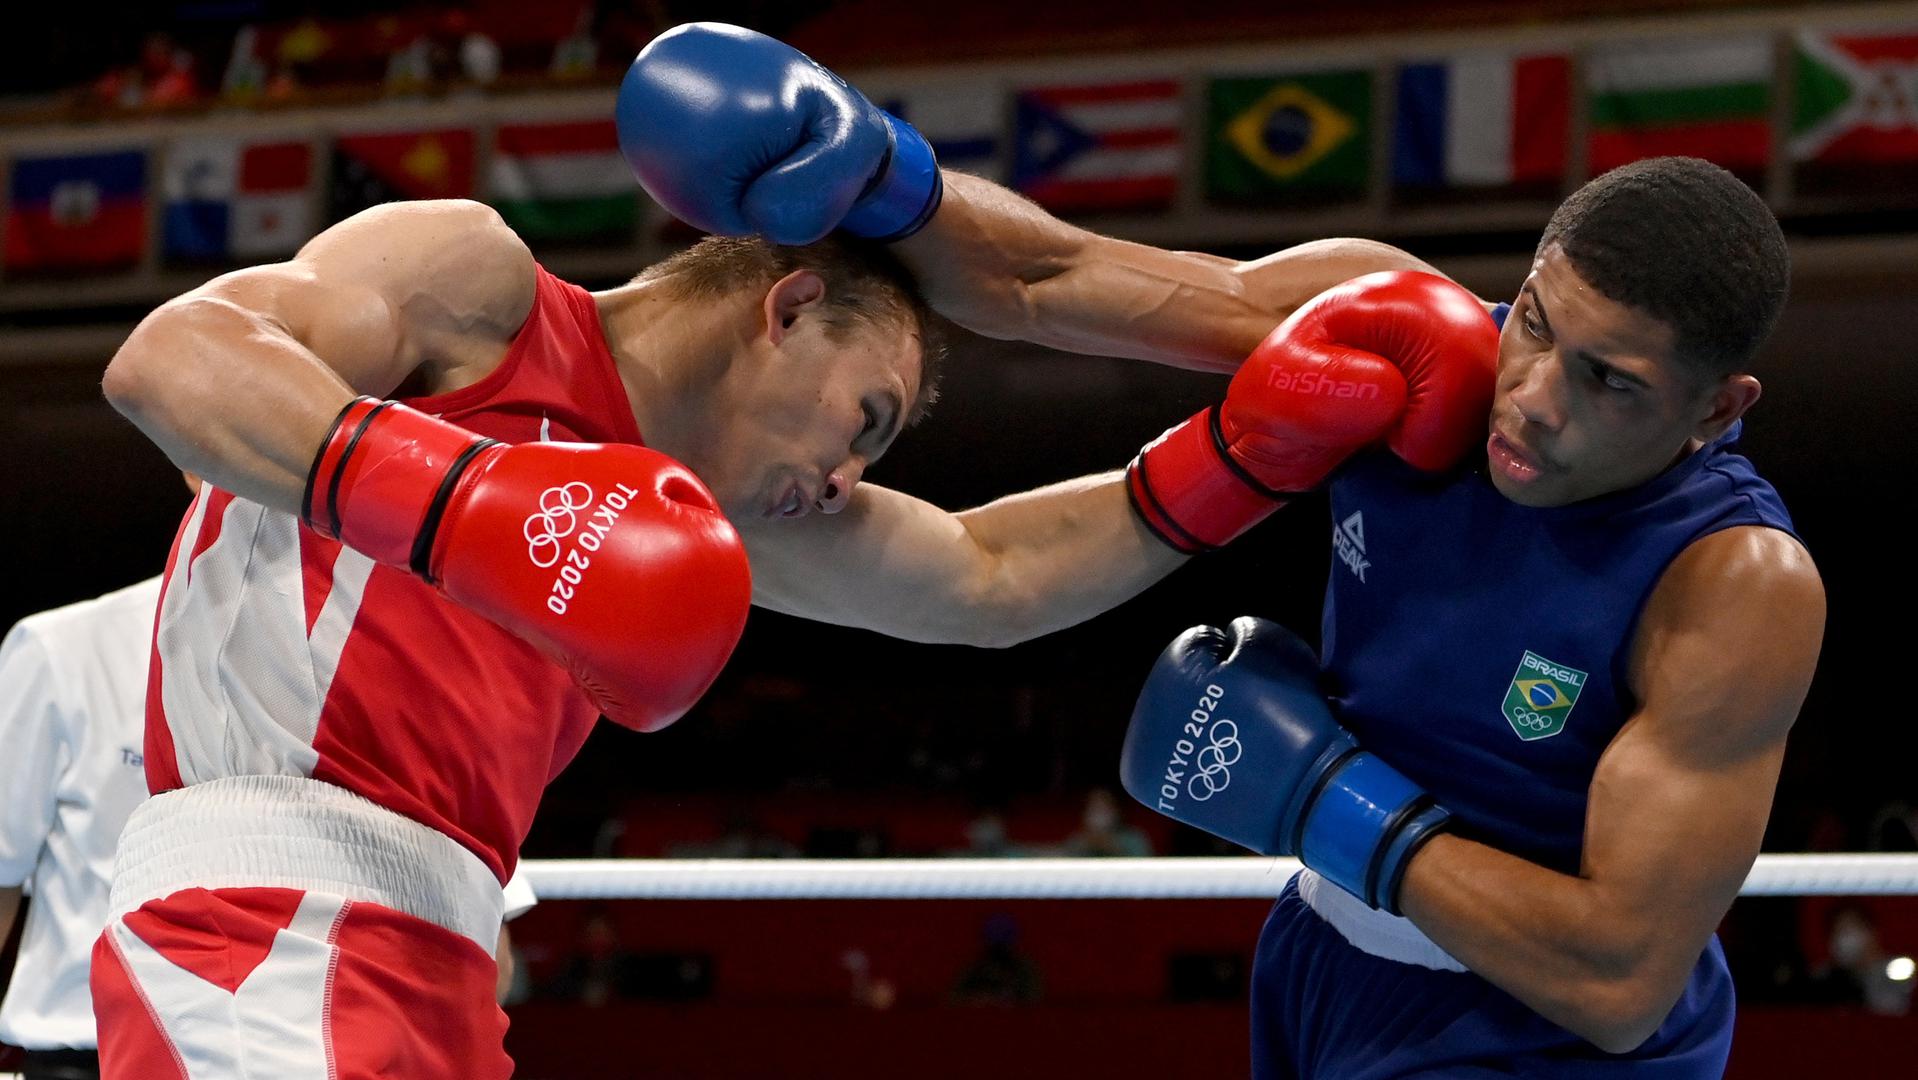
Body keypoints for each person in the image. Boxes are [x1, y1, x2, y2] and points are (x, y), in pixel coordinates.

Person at [617, 23, 1824, 1077]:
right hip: (1316, 960)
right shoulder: (1407, 334)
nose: (1535, 399)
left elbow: (1616, 986)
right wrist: (889, 176)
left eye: (1609, 382)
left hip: (1535, 1036)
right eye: (1541, 326)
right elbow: (1056, 277)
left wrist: (1325, 801)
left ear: (1717, 408)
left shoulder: (1727, 583)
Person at [0, 477, 535, 1080]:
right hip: (87, 1044)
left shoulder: (412, 662)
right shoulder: (62, 650)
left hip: (348, 1028)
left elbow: (493, 952)